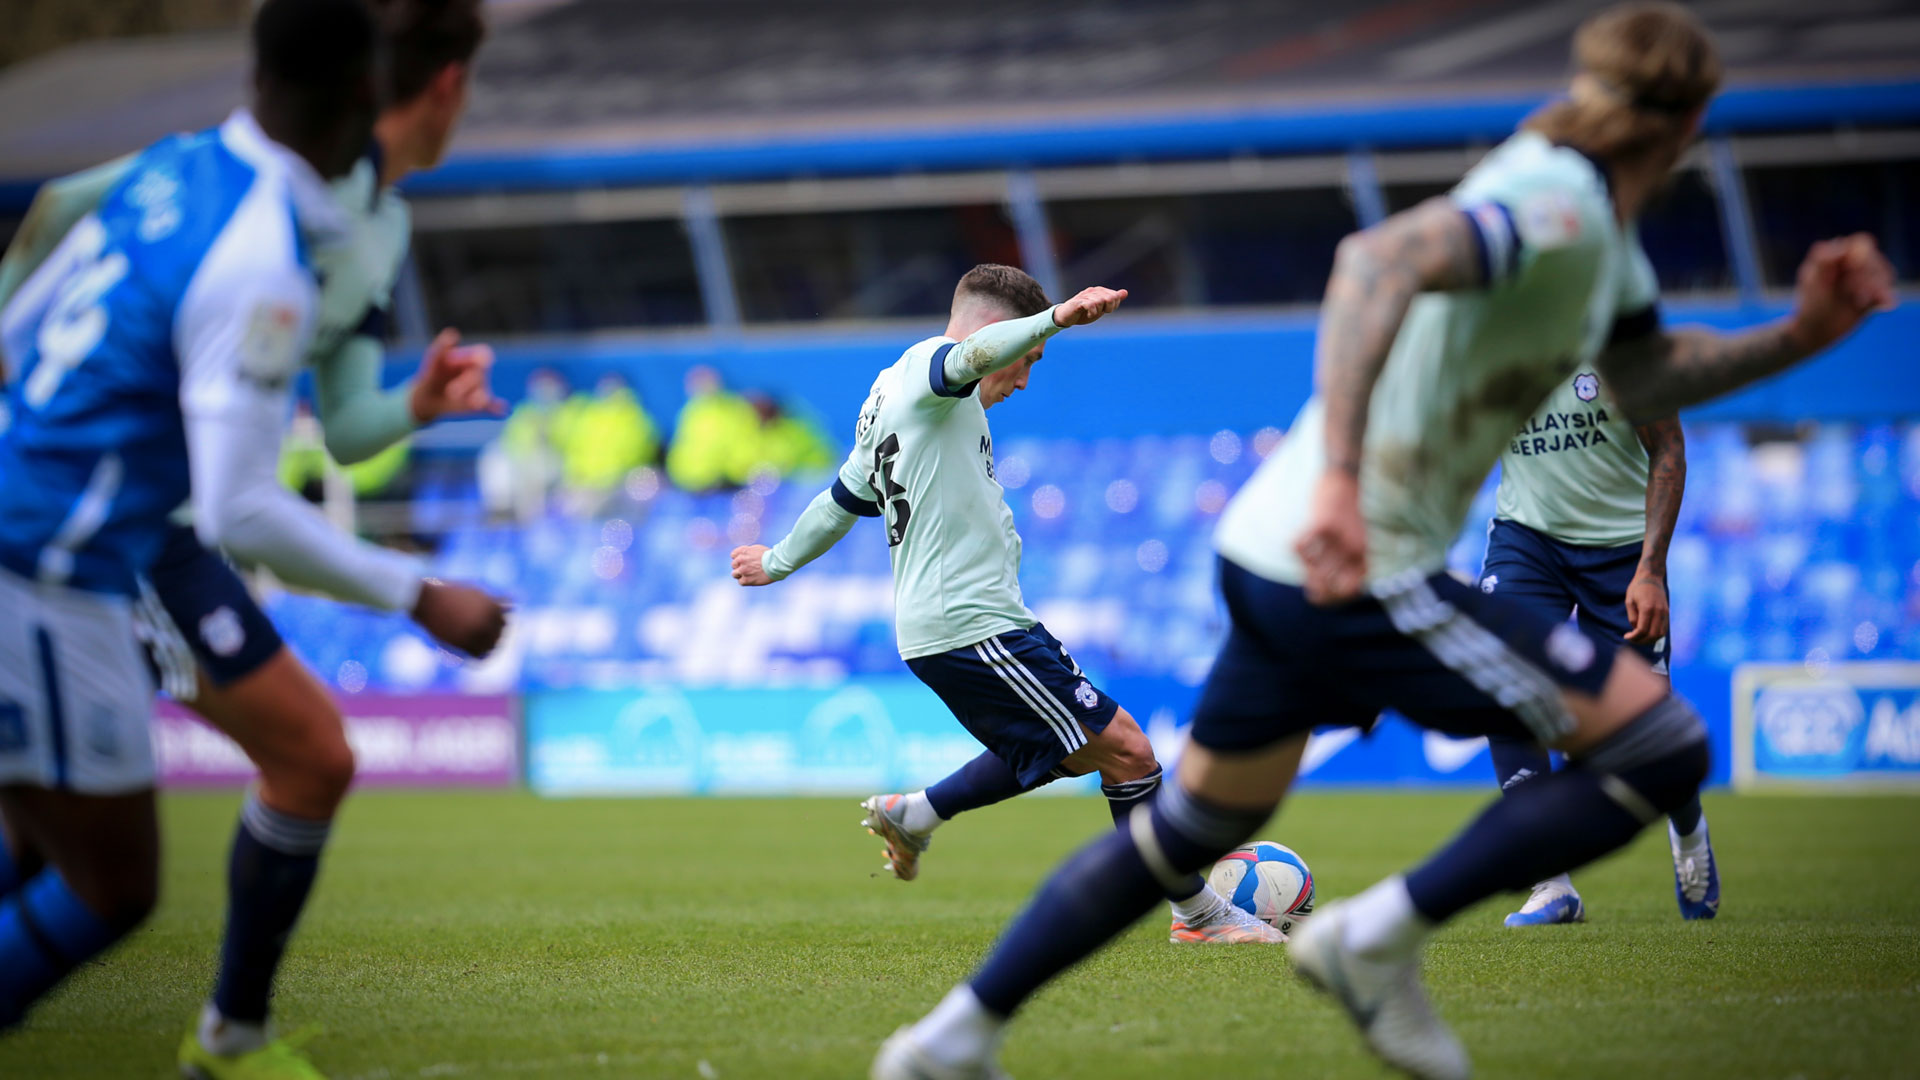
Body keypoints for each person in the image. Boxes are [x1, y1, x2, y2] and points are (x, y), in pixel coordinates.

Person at [871, 6, 1895, 1079]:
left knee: (1177, 836)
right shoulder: (1555, 200)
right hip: (1353, 560)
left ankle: (945, 1043)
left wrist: (1802, 337)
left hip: (1273, 554)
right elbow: (1374, 261)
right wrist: (1350, 489)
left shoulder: (1600, 242)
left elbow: (1650, 382)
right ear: (1687, 127)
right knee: (1664, 742)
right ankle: (1374, 940)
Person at [0, 1, 507, 1074]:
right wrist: (420, 593)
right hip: (96, 538)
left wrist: (412, 407)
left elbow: (345, 427)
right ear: (426, 87)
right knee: (164, 844)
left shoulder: (330, 218)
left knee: (55, 836)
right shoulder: (259, 240)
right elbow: (240, 503)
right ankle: (232, 1040)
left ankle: (233, 1035)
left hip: (120, 525)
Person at [732, 265, 1279, 946]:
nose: (1023, 380)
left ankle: (918, 813)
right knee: (1130, 753)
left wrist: (777, 559)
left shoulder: (892, 395)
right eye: (1027, 362)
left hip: (973, 622)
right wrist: (1058, 318)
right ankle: (1198, 915)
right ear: (998, 336)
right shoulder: (936, 369)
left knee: (1070, 753)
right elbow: (968, 357)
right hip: (968, 622)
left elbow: (841, 500)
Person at [1483, 379, 1716, 925]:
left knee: (1647, 731)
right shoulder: (1490, 347)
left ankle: (1689, 834)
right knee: (1499, 673)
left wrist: (1652, 570)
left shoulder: (1618, 351)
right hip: (1527, 538)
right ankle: (1551, 881)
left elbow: (1668, 447)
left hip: (1623, 551)